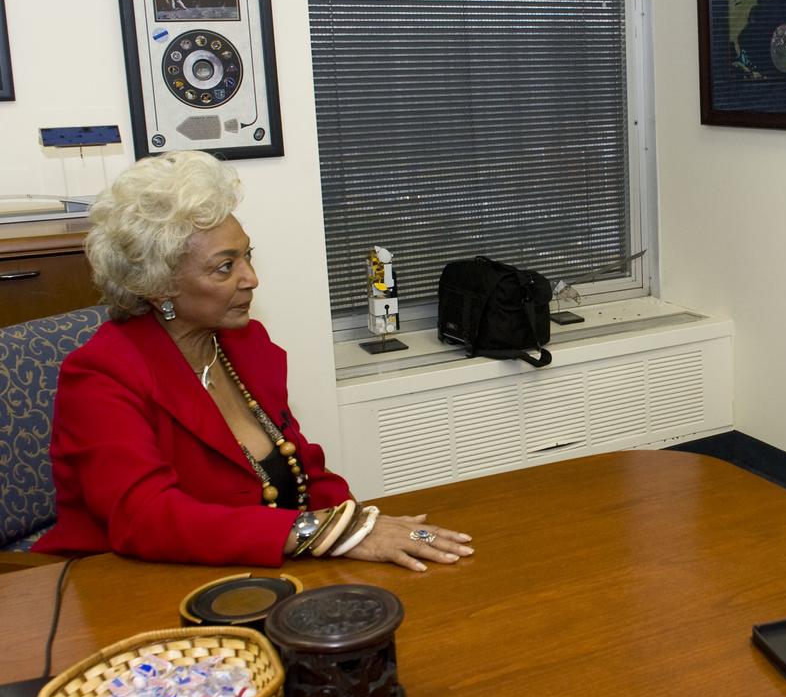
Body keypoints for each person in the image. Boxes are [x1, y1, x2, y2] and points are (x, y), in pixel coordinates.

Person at [35, 151, 474, 571]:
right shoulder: (101, 376)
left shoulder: (247, 344)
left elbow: (304, 469)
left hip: (251, 573)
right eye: (224, 267)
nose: (252, 278)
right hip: (125, 585)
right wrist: (322, 533)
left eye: (246, 255)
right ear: (159, 286)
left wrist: (359, 527)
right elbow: (145, 517)